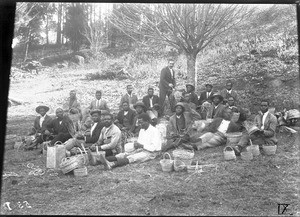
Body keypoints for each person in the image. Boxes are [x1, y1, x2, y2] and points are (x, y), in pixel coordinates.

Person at [96, 113, 161, 170]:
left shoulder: (155, 131)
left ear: (147, 121)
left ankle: (112, 164)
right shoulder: (142, 130)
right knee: (124, 154)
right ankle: (99, 161)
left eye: (141, 122)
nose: (140, 124)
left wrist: (142, 146)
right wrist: (136, 145)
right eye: (139, 123)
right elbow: (140, 142)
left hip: (151, 153)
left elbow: (154, 147)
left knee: (134, 157)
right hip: (142, 149)